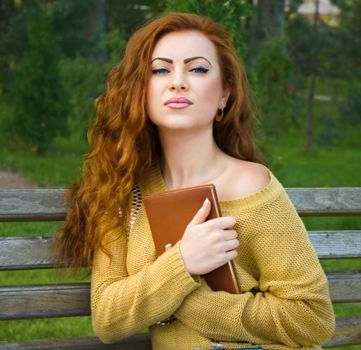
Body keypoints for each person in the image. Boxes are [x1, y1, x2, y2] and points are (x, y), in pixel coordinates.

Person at [55, 12, 335, 350]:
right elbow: (107, 318)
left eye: (198, 69)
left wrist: (181, 298)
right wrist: (183, 263)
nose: (178, 81)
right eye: (160, 70)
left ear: (224, 95)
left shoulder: (251, 186)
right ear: (140, 92)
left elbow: (313, 319)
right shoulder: (121, 190)